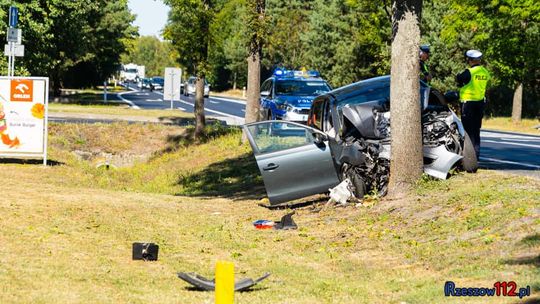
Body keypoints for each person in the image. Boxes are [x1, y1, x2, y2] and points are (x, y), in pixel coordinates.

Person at [456, 49, 491, 159]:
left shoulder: (469, 72)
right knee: (476, 130)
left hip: (468, 103)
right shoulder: (485, 72)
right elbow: (487, 86)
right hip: (480, 104)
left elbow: (459, 79)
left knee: (467, 130)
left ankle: (468, 156)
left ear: (470, 60)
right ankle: (476, 155)